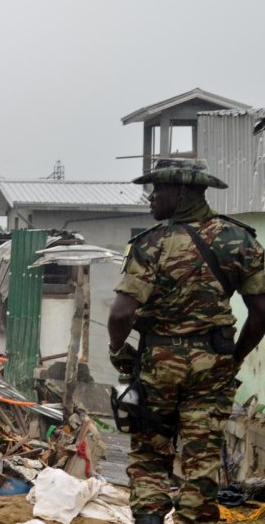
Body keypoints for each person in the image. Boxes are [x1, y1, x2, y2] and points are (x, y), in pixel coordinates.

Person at [108, 158, 265, 524]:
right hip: (213, 365)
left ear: (180, 192)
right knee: (202, 456)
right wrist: (236, 356)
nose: (151, 197)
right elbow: (261, 311)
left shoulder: (151, 245)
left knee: (150, 454)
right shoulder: (239, 240)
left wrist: (118, 353)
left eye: (157, 189)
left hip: (157, 365)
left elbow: (120, 314)